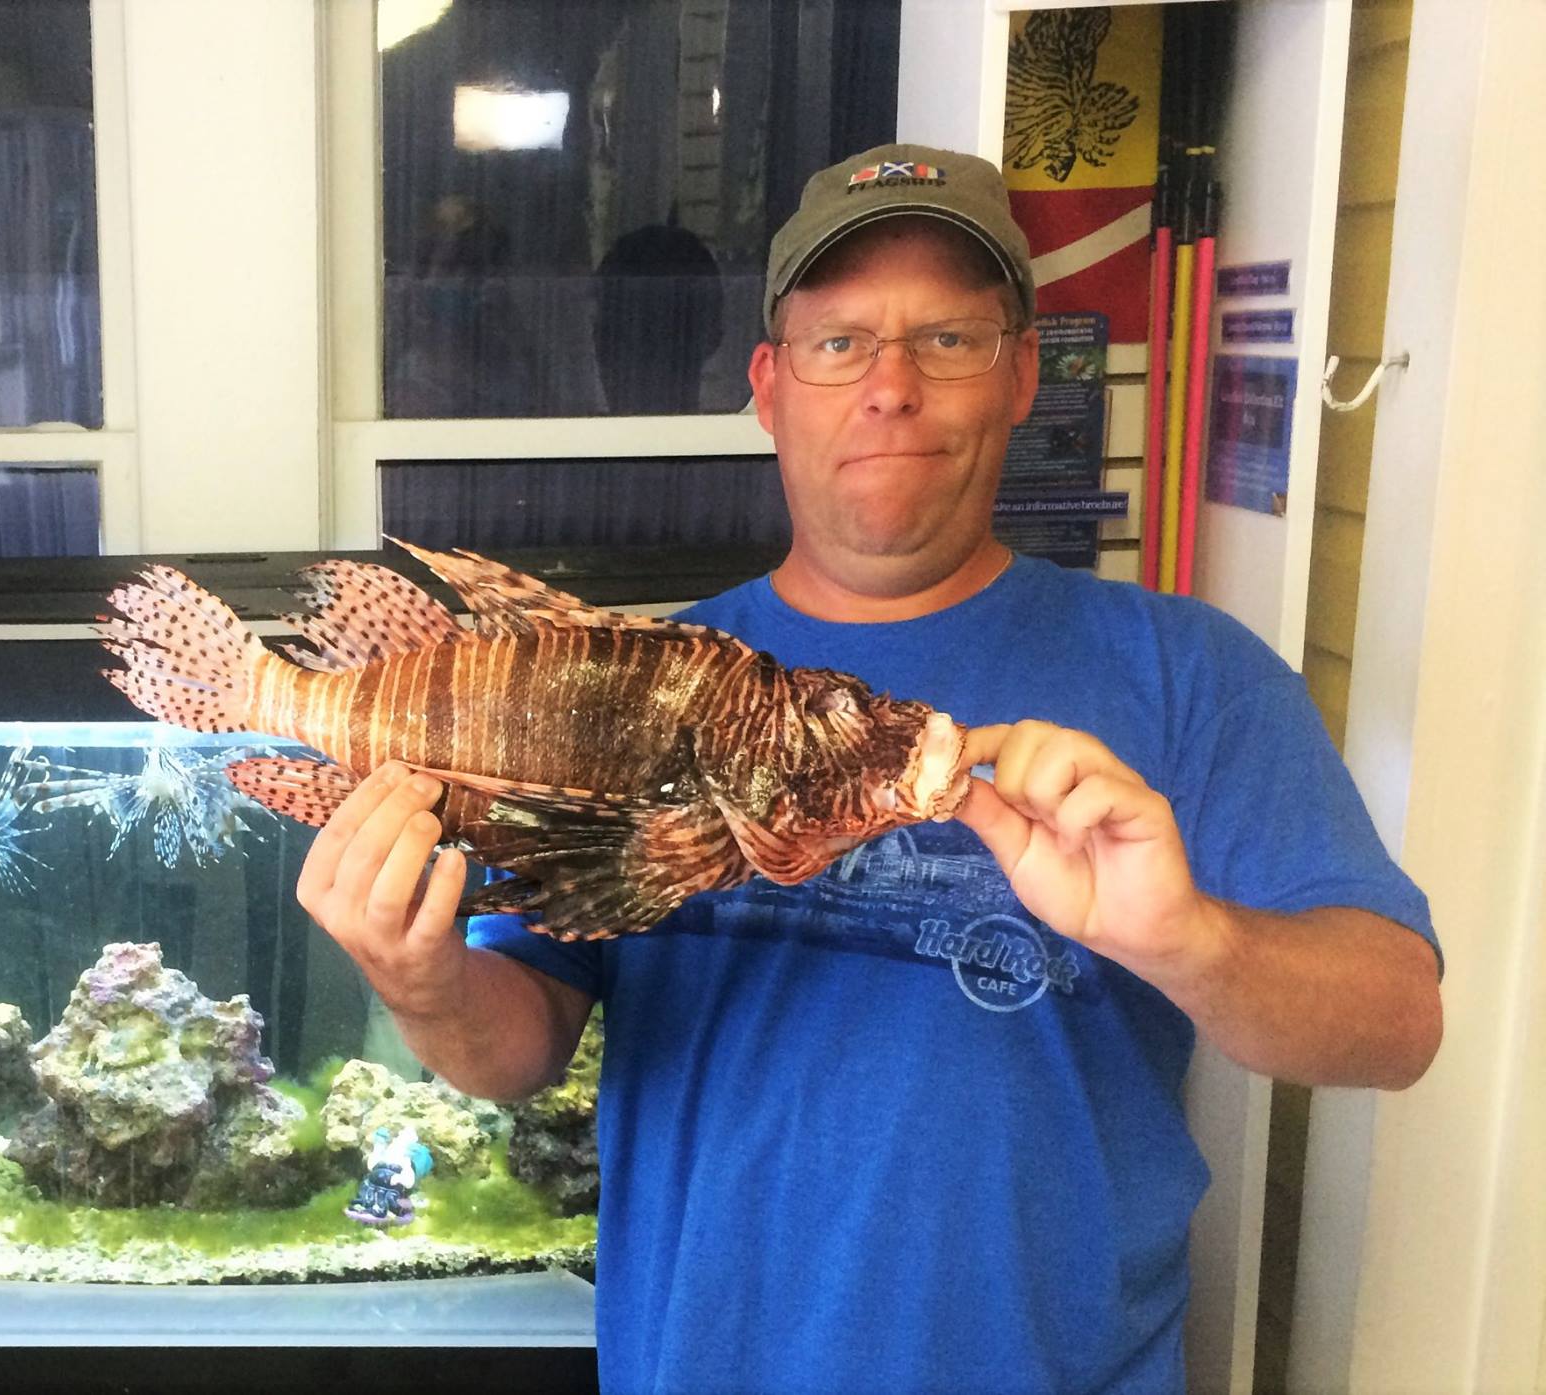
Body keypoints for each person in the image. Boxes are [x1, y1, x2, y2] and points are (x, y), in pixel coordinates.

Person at [295, 143, 1442, 1394]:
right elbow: (514, 1045)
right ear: (768, 387)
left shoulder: (1187, 673)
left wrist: (1186, 942)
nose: (888, 386)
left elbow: (1394, 1023)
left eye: (945, 338)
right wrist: (420, 983)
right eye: (838, 342)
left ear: (1019, 376)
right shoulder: (639, 683)